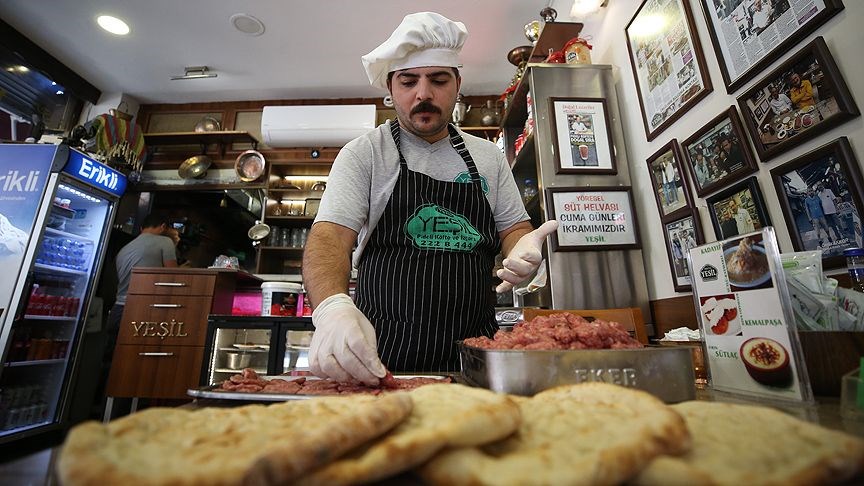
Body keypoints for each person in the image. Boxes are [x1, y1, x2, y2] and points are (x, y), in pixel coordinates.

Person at [302, 12, 557, 384]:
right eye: (408, 81)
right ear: (391, 88)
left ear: (457, 84)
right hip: (381, 360)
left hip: (476, 358)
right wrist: (332, 308)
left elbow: (514, 229)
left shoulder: (486, 156)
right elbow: (328, 239)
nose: (423, 94)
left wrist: (524, 250)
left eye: (438, 80)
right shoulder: (365, 153)